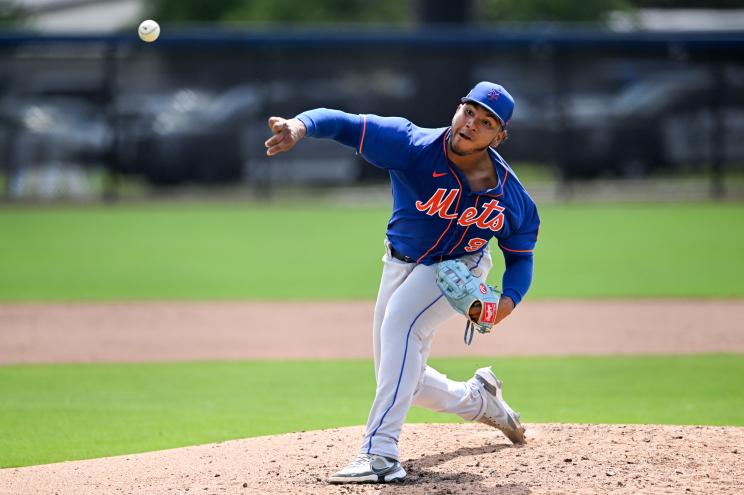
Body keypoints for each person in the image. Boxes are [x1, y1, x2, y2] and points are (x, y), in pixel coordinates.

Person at [264, 81, 539, 484]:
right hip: (398, 264)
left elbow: (521, 259)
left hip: (459, 269)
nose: (471, 124)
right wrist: (300, 127)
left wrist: (508, 302)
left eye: (486, 122)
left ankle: (380, 454)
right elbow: (343, 124)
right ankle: (480, 399)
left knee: (401, 324)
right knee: (400, 376)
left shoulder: (512, 195)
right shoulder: (410, 144)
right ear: (458, 108)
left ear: (499, 136)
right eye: (469, 112)